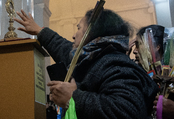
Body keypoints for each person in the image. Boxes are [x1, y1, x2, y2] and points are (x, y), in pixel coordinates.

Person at [14, 9, 159, 119]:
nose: (73, 35)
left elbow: (129, 111)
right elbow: (64, 49)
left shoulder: (115, 64)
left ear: (92, 33)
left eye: (78, 28)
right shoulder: (94, 57)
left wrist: (74, 97)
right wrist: (40, 31)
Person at [128, 25, 174, 119]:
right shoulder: (138, 73)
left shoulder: (171, 72)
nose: (134, 51)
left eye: (138, 45)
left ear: (156, 47)